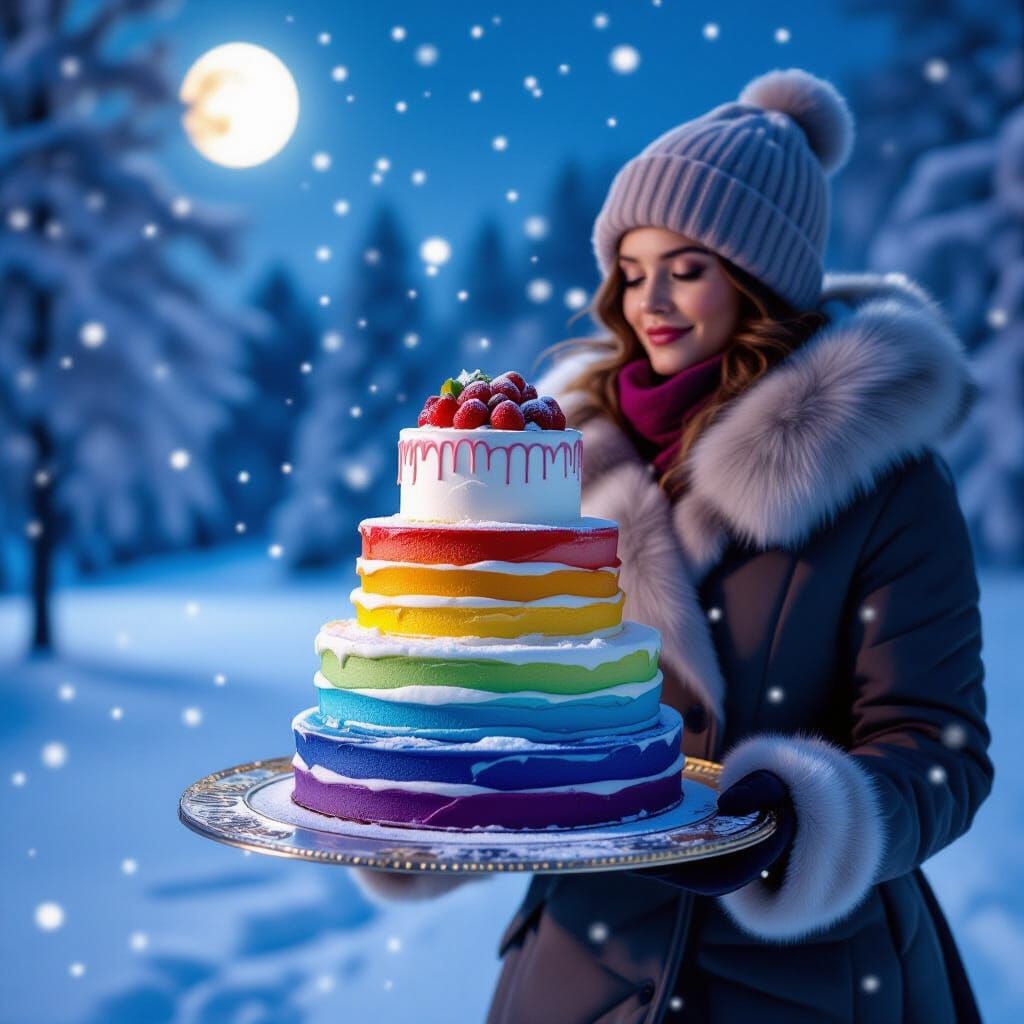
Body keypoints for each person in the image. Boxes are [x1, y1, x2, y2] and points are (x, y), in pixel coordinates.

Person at [358, 69, 993, 1024]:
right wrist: (422, 779)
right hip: (578, 970)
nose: (648, 298)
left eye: (686, 267)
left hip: (803, 979)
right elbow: (510, 701)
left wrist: (799, 817)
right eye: (632, 267)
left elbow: (940, 749)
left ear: (759, 276)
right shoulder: (553, 462)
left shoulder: (886, 484)